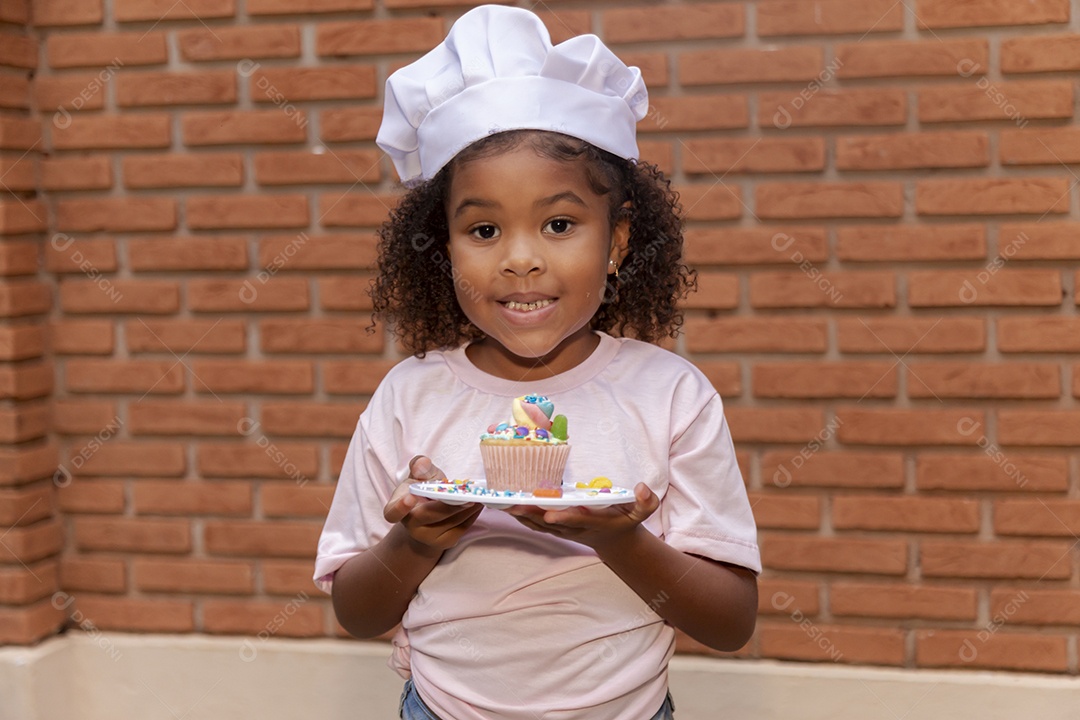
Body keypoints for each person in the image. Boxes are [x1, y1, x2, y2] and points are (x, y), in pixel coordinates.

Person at [314, 6, 760, 719]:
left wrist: (621, 540)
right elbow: (356, 612)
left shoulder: (671, 395)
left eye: (559, 223)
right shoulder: (408, 398)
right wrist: (415, 538)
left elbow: (731, 621)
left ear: (615, 244)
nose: (521, 258)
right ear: (444, 247)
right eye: (484, 229)